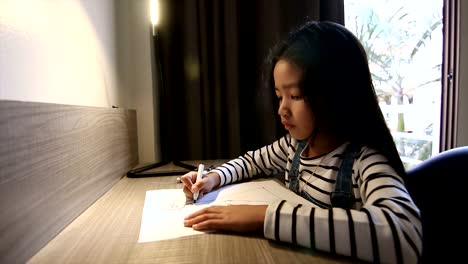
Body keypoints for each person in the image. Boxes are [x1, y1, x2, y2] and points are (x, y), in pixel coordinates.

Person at [181, 20, 422, 263]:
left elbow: (404, 234)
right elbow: (251, 162)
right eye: (279, 96)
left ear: (335, 93)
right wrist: (213, 178)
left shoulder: (366, 161)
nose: (282, 110)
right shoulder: (294, 146)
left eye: (295, 96)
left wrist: (264, 216)